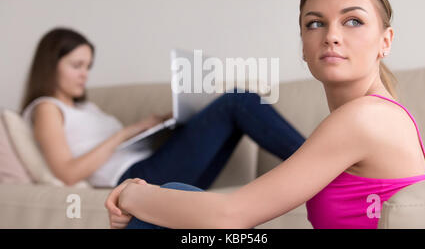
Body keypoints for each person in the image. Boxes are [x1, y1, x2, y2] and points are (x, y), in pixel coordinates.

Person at [105, 0, 425, 229]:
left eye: (353, 21)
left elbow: (230, 216)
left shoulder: (366, 117)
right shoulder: (372, 114)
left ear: (385, 41)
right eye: (315, 23)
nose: (331, 36)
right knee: (174, 204)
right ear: (303, 44)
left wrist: (132, 193)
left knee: (167, 203)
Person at [21, 28, 306, 190]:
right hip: (135, 178)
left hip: (154, 165)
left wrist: (162, 127)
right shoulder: (47, 107)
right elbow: (67, 174)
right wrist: (126, 133)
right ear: (50, 65)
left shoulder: (89, 107)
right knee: (238, 101)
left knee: (231, 112)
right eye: (76, 65)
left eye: (88, 66)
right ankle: (323, 163)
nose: (84, 74)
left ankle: (321, 165)